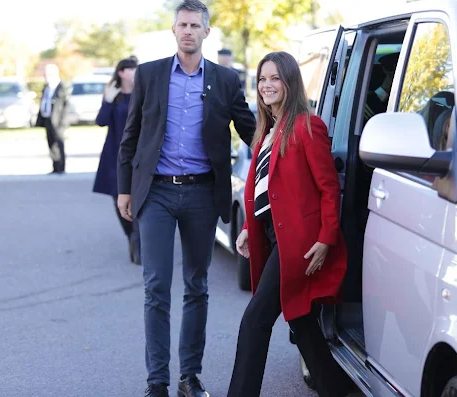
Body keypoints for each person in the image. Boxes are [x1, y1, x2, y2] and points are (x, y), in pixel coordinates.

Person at [117, 1, 256, 396]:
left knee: (197, 286)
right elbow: (131, 135)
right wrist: (125, 188)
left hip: (200, 193)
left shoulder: (226, 81)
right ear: (174, 30)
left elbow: (251, 132)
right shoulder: (150, 74)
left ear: (207, 33)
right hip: (156, 192)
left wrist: (289, 142)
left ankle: (188, 377)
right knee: (156, 287)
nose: (189, 31)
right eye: (183, 24)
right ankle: (157, 381)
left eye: (196, 25)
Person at [227, 51, 349, 397]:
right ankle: (334, 387)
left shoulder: (308, 126)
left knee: (255, 320)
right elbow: (266, 188)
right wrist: (250, 228)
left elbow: (329, 188)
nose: (267, 85)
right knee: (301, 320)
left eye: (274, 78)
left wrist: (326, 238)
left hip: (299, 242)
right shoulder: (267, 130)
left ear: (290, 82)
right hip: (273, 235)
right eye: (262, 79)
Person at [93, 57, 141, 265]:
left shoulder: (142, 93)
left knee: (140, 200)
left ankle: (139, 244)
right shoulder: (115, 96)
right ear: (121, 72)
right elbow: (101, 121)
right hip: (115, 154)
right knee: (118, 199)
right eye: (131, 69)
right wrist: (108, 100)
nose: (134, 72)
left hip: (139, 154)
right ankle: (130, 235)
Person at [36, 63, 70, 174]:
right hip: (48, 119)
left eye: (48, 74)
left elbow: (66, 106)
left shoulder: (61, 87)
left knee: (59, 143)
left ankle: (61, 167)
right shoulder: (46, 87)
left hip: (59, 121)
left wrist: (63, 121)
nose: (46, 77)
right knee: (51, 143)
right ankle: (55, 166)